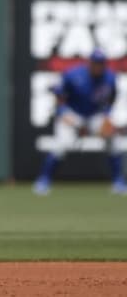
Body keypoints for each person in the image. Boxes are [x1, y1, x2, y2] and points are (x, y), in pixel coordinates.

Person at [33, 49, 127, 195]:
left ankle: (118, 182)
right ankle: (43, 181)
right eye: (96, 63)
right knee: (60, 145)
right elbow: (59, 96)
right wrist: (63, 113)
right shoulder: (73, 74)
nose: (98, 66)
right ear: (90, 63)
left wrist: (107, 116)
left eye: (101, 63)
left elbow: (111, 99)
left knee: (113, 142)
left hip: (95, 115)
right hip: (73, 114)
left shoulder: (109, 77)